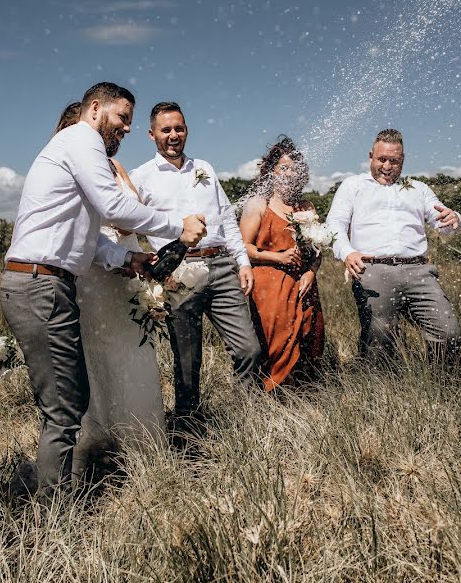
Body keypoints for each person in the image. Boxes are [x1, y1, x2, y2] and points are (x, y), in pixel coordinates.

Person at [0, 82, 207, 499]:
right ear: (96, 108)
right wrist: (176, 225)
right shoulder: (81, 139)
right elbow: (114, 208)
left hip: (47, 283)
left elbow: (90, 238)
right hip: (40, 285)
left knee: (69, 399)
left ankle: (60, 493)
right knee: (63, 406)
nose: (127, 129)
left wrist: (127, 260)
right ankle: (53, 514)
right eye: (123, 118)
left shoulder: (74, 149)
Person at [47, 102, 166, 482]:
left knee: (131, 352)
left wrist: (141, 259)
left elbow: (130, 216)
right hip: (93, 274)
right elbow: (107, 217)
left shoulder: (114, 168)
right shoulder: (65, 169)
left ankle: (141, 443)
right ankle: (97, 442)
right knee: (94, 355)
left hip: (126, 270)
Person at [129, 102, 262, 425]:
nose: (174, 135)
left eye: (179, 128)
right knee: (187, 362)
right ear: (151, 134)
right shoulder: (141, 177)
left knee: (249, 349)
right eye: (166, 130)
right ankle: (188, 428)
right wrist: (152, 269)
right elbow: (128, 226)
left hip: (220, 267)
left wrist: (242, 261)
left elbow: (227, 217)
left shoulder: (204, 167)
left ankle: (247, 420)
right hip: (178, 274)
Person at [326, 129, 461, 372]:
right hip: (373, 270)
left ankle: (446, 390)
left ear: (403, 160)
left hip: (419, 271)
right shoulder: (353, 186)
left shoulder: (418, 188)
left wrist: (455, 219)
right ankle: (379, 397)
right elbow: (334, 225)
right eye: (382, 159)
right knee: (378, 342)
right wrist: (347, 252)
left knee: (448, 332)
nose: (387, 166)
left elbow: (444, 223)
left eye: (394, 161)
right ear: (371, 156)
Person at [239, 136, 325, 390]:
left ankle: (306, 395)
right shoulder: (259, 204)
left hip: (304, 284)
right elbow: (244, 248)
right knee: (277, 341)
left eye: (294, 168)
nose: (289, 173)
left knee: (310, 336)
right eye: (283, 168)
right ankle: (273, 396)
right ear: (271, 171)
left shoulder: (305, 206)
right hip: (270, 286)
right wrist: (278, 256)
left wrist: (311, 271)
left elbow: (318, 248)